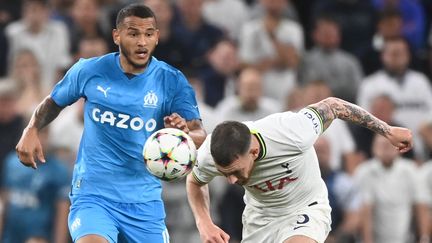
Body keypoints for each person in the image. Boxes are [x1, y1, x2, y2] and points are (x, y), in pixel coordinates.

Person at [15, 3, 206, 243]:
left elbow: (199, 133)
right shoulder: (89, 70)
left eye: (148, 34)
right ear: (117, 35)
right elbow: (54, 102)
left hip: (143, 202)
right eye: (133, 33)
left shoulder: (171, 80)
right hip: (93, 195)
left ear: (157, 37)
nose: (141, 42)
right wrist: (32, 128)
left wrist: (185, 134)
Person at [186, 96, 413, 243]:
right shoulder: (209, 154)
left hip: (305, 207)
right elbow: (195, 182)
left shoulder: (290, 132)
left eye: (235, 172)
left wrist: (387, 130)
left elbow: (334, 106)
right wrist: (204, 222)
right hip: (260, 219)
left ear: (254, 152)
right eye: (225, 174)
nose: (232, 181)